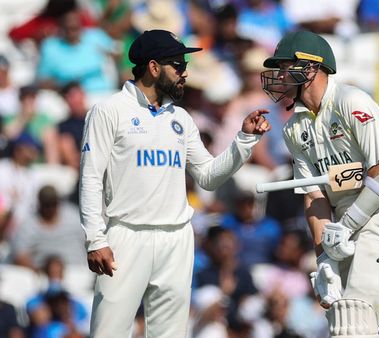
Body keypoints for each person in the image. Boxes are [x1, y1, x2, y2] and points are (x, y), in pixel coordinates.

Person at [79, 29, 271, 338]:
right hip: (127, 236)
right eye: (178, 65)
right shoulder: (108, 111)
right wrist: (95, 239)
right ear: (153, 68)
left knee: (170, 334)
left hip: (177, 238)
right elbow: (89, 178)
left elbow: (208, 176)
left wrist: (245, 139)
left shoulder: (180, 118)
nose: (185, 72)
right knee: (108, 332)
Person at [261, 30, 379, 337]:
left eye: (284, 65)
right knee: (341, 324)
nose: (278, 75)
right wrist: (324, 259)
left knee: (355, 316)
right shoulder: (295, 128)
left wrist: (346, 225)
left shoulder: (351, 100)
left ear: (311, 66)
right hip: (342, 233)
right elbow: (314, 195)